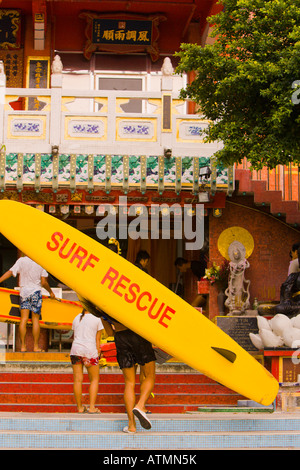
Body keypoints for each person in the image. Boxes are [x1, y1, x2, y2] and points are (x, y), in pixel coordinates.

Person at [101, 241, 156, 433]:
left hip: (120, 335)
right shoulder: (127, 277)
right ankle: (141, 405)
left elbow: (108, 332)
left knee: (129, 383)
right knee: (149, 375)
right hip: (138, 331)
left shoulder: (100, 287)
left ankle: (131, 426)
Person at [0, 255, 55, 352]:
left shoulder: (21, 261)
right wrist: (50, 292)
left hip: (24, 292)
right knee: (35, 320)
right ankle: (36, 347)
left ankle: (23, 346)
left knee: (23, 320)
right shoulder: (40, 261)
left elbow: (10, 272)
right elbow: (44, 282)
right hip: (35, 293)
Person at [70, 308, 104, 413]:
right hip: (90, 351)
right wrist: (99, 352)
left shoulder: (76, 318)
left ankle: (80, 407)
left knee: (77, 380)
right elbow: (97, 339)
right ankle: (92, 407)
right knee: (94, 379)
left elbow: (75, 335)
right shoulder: (98, 318)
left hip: (75, 350)